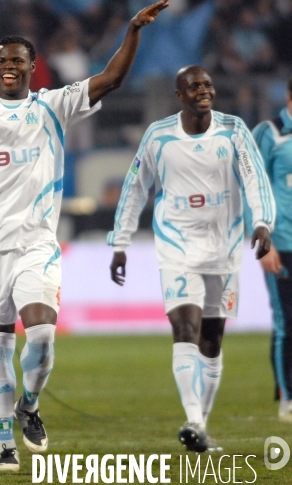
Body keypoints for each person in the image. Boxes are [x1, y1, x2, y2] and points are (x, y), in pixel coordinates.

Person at [0, 0, 170, 472]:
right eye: (3, 60)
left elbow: (111, 79)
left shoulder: (53, 105)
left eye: (18, 61)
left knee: (43, 337)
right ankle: (5, 444)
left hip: (36, 245)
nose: (10, 66)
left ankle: (29, 403)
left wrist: (132, 29)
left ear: (32, 67)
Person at [108, 65, 274, 453]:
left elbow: (255, 179)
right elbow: (135, 188)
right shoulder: (159, 136)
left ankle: (203, 423)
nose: (204, 90)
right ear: (179, 96)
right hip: (176, 245)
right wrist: (120, 242)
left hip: (224, 246)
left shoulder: (234, 131)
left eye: (208, 84)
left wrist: (263, 222)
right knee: (185, 328)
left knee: (212, 341)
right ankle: (194, 420)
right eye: (194, 86)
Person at [252, 78, 292, 422]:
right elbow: (252, 185)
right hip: (283, 245)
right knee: (286, 323)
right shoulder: (270, 132)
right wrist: (264, 243)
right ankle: (288, 400)